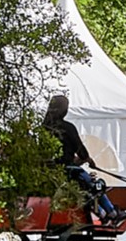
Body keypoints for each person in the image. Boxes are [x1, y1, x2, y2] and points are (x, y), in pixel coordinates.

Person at [42, 94, 120, 224]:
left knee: (85, 186)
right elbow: (79, 148)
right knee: (95, 185)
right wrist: (88, 159)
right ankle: (110, 212)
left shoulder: (44, 128)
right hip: (68, 170)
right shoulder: (67, 127)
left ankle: (103, 212)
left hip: (52, 172)